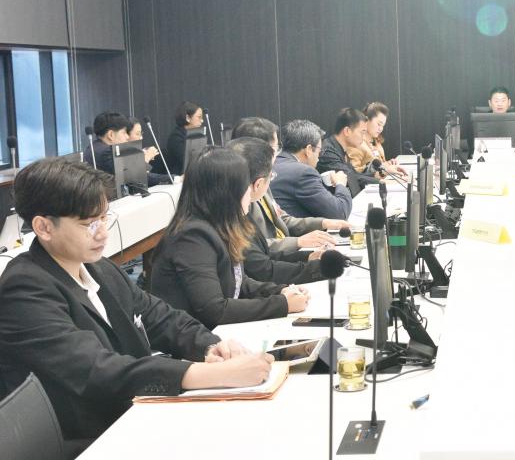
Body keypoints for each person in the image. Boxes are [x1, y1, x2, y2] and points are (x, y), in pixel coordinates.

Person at [0, 158, 272, 441]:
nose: (102, 232)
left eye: (104, 218)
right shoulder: (24, 289)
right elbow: (96, 370)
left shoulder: (98, 267)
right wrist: (213, 375)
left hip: (131, 415)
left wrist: (211, 346)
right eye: (88, 224)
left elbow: (161, 318)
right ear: (44, 227)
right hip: (87, 440)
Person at [150, 147, 309, 328]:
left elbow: (239, 283)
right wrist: (282, 304)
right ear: (226, 193)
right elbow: (214, 310)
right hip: (192, 340)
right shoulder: (192, 237)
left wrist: (282, 291)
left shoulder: (219, 225)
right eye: (245, 186)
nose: (250, 192)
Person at [230, 117, 347, 253]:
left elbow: (281, 219)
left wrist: (323, 223)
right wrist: (298, 242)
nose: (277, 153)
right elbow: (249, 248)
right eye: (276, 148)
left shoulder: (264, 176)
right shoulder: (239, 191)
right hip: (271, 259)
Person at [227, 137, 324, 285]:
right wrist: (316, 269)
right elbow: (260, 269)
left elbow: (262, 256)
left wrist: (308, 258)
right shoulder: (235, 212)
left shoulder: (245, 204)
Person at [272, 119, 353, 220]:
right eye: (320, 151)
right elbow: (340, 213)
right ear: (309, 150)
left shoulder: (274, 163)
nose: (319, 157)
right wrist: (340, 184)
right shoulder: (303, 173)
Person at [317, 107, 380, 196]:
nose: (364, 137)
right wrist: (382, 182)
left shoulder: (339, 148)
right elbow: (350, 178)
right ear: (347, 131)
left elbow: (354, 174)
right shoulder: (328, 152)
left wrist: (377, 174)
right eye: (362, 132)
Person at [347, 102, 408, 180]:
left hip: (380, 182)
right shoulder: (355, 144)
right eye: (379, 124)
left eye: (383, 126)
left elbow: (379, 165)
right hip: (369, 185)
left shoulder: (376, 141)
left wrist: (389, 164)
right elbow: (354, 176)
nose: (381, 129)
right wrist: (383, 172)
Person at [156, 101, 204, 176]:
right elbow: (188, 161)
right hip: (180, 177)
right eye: (199, 117)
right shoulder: (176, 137)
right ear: (188, 118)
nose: (202, 120)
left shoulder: (196, 135)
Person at [125, 117, 170, 186]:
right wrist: (146, 158)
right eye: (137, 134)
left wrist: (173, 178)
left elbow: (148, 177)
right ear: (126, 135)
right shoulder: (122, 155)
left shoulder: (136, 152)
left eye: (141, 133)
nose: (141, 137)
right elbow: (137, 179)